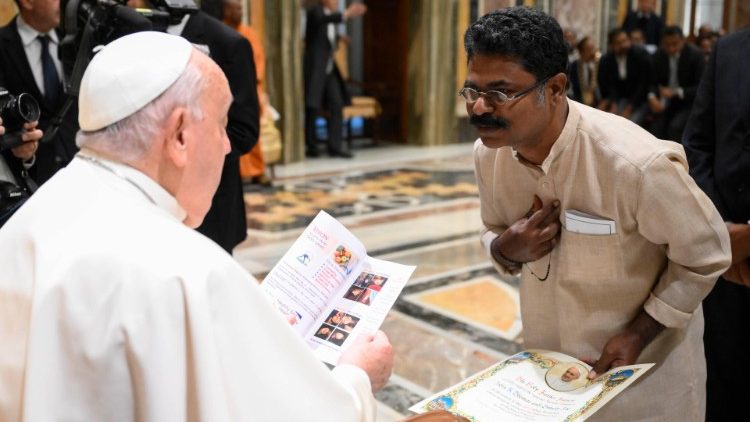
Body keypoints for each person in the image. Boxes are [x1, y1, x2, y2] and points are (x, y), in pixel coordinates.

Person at [0, 31, 393, 421]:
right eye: (221, 125)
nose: (227, 145)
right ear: (180, 134)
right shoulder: (188, 273)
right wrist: (357, 378)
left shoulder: (32, 218)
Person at [464, 7, 730, 420]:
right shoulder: (489, 156)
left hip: (643, 385)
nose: (480, 107)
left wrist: (640, 332)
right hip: (548, 378)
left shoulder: (635, 164)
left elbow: (707, 254)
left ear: (555, 88)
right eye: (472, 90)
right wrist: (503, 249)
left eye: (500, 93)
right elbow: (492, 229)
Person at [131, 1, 260, 253]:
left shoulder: (228, 44)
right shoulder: (140, 36)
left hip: (211, 204)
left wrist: (183, 152)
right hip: (152, 200)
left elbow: (244, 130)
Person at [682, 28, 750, 422]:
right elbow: (697, 144)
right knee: (721, 375)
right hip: (725, 257)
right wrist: (720, 227)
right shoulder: (728, 49)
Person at [0, 0, 79, 185]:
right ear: (27, 2)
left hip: (80, 167)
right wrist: (25, 155)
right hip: (34, 178)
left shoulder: (77, 39)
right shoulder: (2, 45)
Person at [303, 0, 366, 158]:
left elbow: (326, 36)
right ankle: (312, 146)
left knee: (336, 103)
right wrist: (346, 14)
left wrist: (339, 38)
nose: (336, 1)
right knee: (313, 106)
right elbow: (322, 21)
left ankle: (335, 146)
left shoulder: (331, 16)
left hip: (330, 68)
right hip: (316, 69)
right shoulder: (315, 11)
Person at [219, 0, 271, 185]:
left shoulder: (249, 33)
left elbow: (259, 62)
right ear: (226, 10)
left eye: (241, 9)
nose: (239, 12)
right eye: (236, 9)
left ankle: (258, 170)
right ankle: (237, 173)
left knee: (251, 130)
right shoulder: (219, 32)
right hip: (225, 91)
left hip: (248, 89)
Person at [646, 26, 704, 142]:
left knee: (675, 127)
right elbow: (651, 81)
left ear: (683, 41)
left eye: (675, 44)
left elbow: (701, 87)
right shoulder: (659, 55)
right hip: (665, 101)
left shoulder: (696, 55)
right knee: (655, 128)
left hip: (687, 102)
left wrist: (677, 92)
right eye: (667, 44)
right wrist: (651, 97)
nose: (671, 48)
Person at [597, 28, 652, 125]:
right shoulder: (606, 60)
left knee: (629, 124)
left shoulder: (640, 55)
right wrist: (613, 102)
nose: (624, 45)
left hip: (639, 100)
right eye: (619, 43)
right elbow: (607, 84)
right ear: (611, 45)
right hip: (619, 99)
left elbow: (643, 85)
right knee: (609, 121)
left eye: (625, 40)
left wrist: (629, 108)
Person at [566, 36, 600, 107]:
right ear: (581, 51)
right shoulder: (574, 66)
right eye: (589, 49)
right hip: (578, 102)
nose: (593, 52)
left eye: (593, 48)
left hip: (597, 104)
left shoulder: (599, 65)